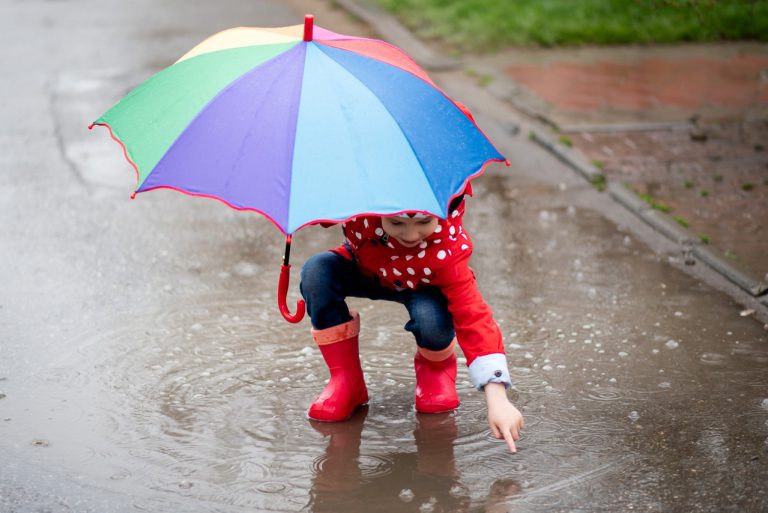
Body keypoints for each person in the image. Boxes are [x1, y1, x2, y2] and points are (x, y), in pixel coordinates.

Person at [299, 188, 524, 454]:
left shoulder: (448, 253)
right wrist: (300, 211)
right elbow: (325, 206)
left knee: (431, 317)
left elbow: (474, 317)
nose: (410, 235)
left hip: (424, 286)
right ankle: (346, 380)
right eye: (396, 223)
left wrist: (497, 398)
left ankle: (435, 370)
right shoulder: (362, 200)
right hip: (364, 269)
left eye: (424, 222)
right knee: (317, 272)